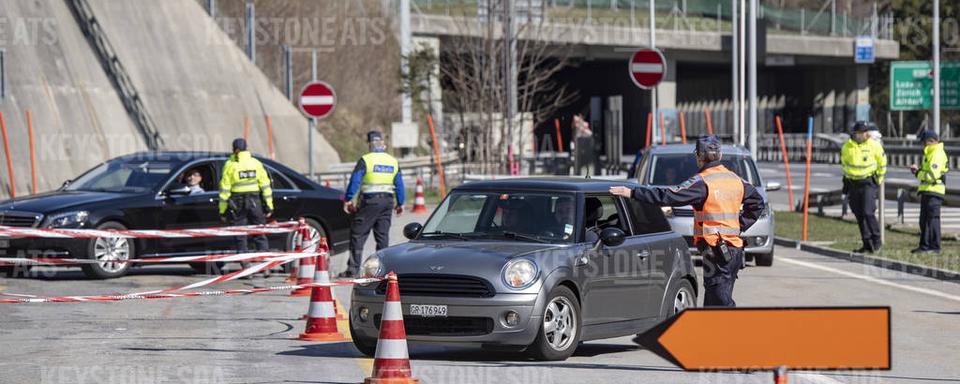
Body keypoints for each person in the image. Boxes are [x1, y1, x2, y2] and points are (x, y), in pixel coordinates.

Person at [610, 135, 764, 307]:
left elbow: (669, 196)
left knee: (720, 300)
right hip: (733, 250)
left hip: (717, 251)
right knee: (714, 298)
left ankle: (736, 330)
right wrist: (738, 225)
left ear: (698, 157)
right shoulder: (736, 180)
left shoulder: (703, 182)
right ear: (719, 156)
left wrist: (632, 192)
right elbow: (757, 203)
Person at [339, 131, 404, 278]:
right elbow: (399, 184)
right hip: (387, 202)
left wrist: (348, 199)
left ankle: (353, 269)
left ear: (370, 144)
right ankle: (383, 269)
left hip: (370, 202)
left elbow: (355, 181)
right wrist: (401, 203)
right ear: (382, 143)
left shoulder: (366, 160)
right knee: (382, 237)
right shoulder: (392, 161)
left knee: (358, 234)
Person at [218, 138, 273, 269]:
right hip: (255, 202)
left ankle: (246, 265)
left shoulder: (230, 165)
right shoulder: (256, 163)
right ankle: (264, 264)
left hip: (237, 203)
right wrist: (269, 205)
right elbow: (266, 186)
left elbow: (224, 190)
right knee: (259, 232)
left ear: (234, 149)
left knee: (240, 234)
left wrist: (222, 210)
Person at [841, 121, 887, 254]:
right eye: (860, 133)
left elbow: (882, 162)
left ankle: (877, 241)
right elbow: (844, 163)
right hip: (853, 184)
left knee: (868, 212)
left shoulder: (874, 145)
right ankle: (867, 244)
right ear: (855, 134)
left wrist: (878, 179)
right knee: (859, 215)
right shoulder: (847, 147)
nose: (864, 135)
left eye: (865, 132)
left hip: (868, 183)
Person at [910, 130, 948, 254]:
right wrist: (919, 171)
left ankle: (934, 247)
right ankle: (924, 246)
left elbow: (932, 175)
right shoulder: (930, 153)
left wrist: (917, 173)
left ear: (930, 141)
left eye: (924, 142)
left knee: (932, 220)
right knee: (924, 220)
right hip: (928, 191)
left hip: (934, 191)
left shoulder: (936, 153)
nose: (923, 145)